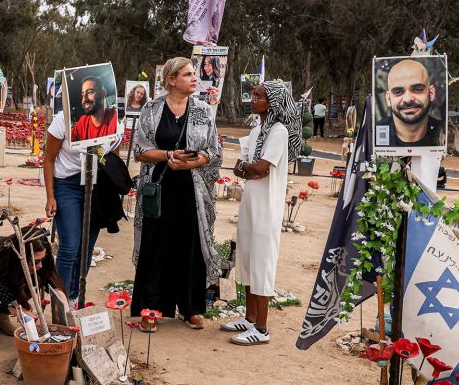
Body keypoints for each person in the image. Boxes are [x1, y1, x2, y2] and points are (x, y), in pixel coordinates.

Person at [131, 57, 222, 329]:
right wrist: (169, 155)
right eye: (187, 74)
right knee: (156, 248)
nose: (194, 78)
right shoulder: (152, 108)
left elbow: (214, 150)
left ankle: (191, 307)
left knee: (190, 247)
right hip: (159, 189)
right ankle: (151, 309)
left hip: (193, 192)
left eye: (194, 74)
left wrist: (193, 162)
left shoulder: (203, 110)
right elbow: (140, 151)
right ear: (171, 80)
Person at [223, 81, 301, 345]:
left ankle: (263, 328)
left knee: (262, 262)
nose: (252, 99)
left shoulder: (278, 131)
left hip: (267, 206)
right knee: (245, 258)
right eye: (253, 94)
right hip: (249, 202)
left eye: (258, 96)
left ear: (273, 103)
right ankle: (249, 318)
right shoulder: (257, 129)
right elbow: (240, 168)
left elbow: (261, 168)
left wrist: (247, 167)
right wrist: (248, 166)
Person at [44, 91, 122, 302]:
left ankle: (74, 296)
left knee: (86, 247)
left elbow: (113, 156)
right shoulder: (63, 120)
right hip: (67, 184)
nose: (89, 98)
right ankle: (60, 301)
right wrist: (50, 196)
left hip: (95, 187)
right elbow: (49, 159)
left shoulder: (114, 122)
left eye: (93, 93)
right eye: (84, 93)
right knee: (70, 245)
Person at [376, 58, 442, 148]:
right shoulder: (375, 134)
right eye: (398, 92)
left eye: (417, 89)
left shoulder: (441, 132)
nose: (407, 99)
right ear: (388, 99)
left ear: (431, 93)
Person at [70, 74, 117, 142]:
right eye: (83, 95)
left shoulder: (114, 120)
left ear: (103, 93)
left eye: (90, 92)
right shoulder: (83, 122)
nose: (84, 99)